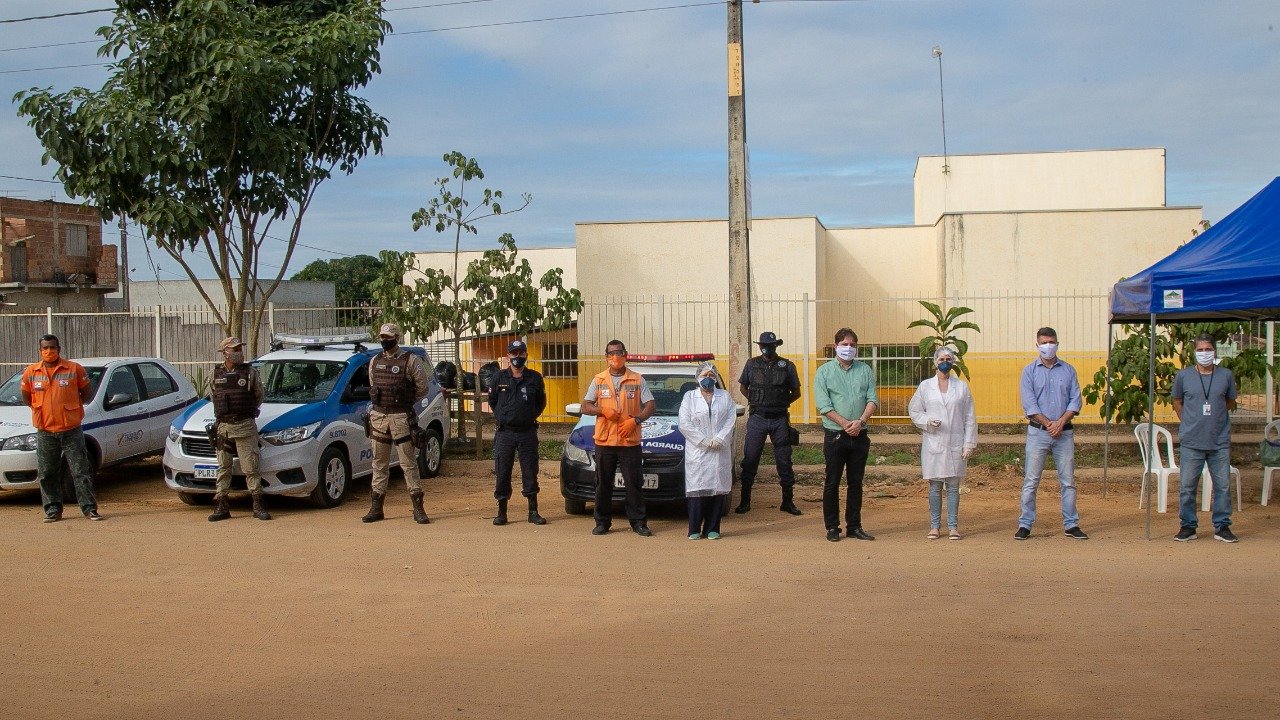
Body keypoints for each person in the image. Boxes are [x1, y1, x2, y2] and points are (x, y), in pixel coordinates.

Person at [20, 333, 102, 522]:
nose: (49, 351)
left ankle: (89, 509)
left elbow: (86, 393)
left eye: (53, 348)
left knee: (80, 471)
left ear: (59, 349)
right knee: (47, 473)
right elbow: (27, 398)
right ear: (40, 351)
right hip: (45, 431)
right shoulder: (31, 372)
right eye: (45, 348)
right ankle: (53, 510)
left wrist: (68, 409)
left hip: (71, 430)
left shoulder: (74, 369)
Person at [1016, 327, 1087, 540]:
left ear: (1057, 343)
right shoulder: (1029, 372)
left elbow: (1076, 400)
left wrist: (1060, 422)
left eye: (1052, 342)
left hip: (1064, 433)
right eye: (1044, 342)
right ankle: (1025, 524)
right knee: (1031, 480)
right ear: (1037, 345)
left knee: (1067, 481)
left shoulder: (1068, 370)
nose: (1048, 346)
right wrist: (1049, 424)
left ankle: (1071, 524)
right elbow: (1029, 404)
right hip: (1038, 433)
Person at [581, 339, 656, 536]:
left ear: (625, 355)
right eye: (611, 353)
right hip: (605, 441)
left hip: (628, 440)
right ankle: (602, 522)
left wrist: (636, 420)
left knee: (634, 484)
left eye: (619, 352)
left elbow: (650, 405)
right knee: (602, 484)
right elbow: (585, 406)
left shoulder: (637, 379)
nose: (615, 356)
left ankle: (638, 522)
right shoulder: (598, 380)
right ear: (606, 357)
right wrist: (602, 410)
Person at [1171, 334, 1239, 543]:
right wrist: (1187, 420)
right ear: (1194, 353)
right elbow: (1177, 400)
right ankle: (1188, 526)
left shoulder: (1226, 375)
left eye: (1208, 349)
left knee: (1223, 486)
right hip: (1192, 441)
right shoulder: (1184, 376)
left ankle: (1222, 526)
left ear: (1215, 351)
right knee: (1187, 486)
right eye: (1200, 350)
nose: (1204, 354)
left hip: (1219, 441)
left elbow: (1228, 401)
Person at [362, 323, 432, 524]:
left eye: (389, 337)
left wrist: (405, 401)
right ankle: (376, 508)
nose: (385, 340)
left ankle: (418, 508)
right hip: (378, 417)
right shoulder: (375, 361)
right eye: (382, 336)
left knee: (408, 464)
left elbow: (422, 388)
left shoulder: (411, 360)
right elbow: (374, 385)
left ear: (397, 338)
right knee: (379, 464)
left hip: (401, 417)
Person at [813, 328, 878, 542]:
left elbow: (872, 399)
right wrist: (845, 423)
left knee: (855, 483)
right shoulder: (824, 372)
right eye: (844, 344)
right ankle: (832, 527)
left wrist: (860, 422)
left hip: (860, 434)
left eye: (852, 345)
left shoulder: (865, 370)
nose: (848, 348)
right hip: (835, 435)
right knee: (832, 482)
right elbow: (823, 405)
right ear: (835, 346)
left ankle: (854, 526)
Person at [908, 346, 978, 540]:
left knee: (954, 486)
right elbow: (914, 411)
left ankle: (953, 526)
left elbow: (970, 417)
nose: (945, 362)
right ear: (935, 362)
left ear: (953, 361)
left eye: (948, 358)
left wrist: (969, 443)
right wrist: (927, 421)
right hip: (934, 442)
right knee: (935, 486)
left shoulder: (962, 387)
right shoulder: (925, 386)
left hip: (955, 441)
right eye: (941, 359)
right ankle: (934, 526)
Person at [735, 331, 803, 515]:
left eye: (771, 345)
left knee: (784, 461)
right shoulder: (752, 364)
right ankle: (744, 502)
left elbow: (796, 392)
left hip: (779, 418)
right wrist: (755, 400)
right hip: (758, 418)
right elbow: (743, 387)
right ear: (760, 346)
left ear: (776, 346)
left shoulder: (787, 366)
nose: (768, 348)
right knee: (750, 460)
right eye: (765, 345)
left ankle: (787, 502)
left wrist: (782, 402)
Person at [207, 337, 269, 522]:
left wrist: (245, 410)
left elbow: (259, 395)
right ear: (225, 353)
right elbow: (213, 396)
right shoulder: (215, 374)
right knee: (223, 468)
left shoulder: (250, 373)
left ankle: (257, 505)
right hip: (224, 427)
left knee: (251, 467)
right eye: (235, 349)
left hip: (244, 426)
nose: (239, 352)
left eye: (240, 349)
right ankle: (222, 505)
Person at [487, 339, 548, 526]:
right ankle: (502, 512)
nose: (517, 357)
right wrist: (504, 416)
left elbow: (541, 403)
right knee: (502, 471)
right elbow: (492, 401)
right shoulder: (499, 377)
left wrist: (527, 416)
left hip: (527, 432)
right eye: (514, 354)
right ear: (508, 356)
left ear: (526, 355)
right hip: (505, 433)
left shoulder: (535, 378)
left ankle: (533, 511)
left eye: (521, 353)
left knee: (530, 471)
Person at [679, 362, 735, 539]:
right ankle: (694, 529)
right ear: (697, 378)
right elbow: (684, 423)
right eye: (704, 376)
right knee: (697, 489)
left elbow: (730, 420)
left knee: (717, 490)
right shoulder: (689, 397)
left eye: (711, 375)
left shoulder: (725, 397)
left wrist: (720, 438)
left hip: (719, 449)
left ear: (716, 378)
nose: (708, 379)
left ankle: (713, 528)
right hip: (697, 451)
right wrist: (702, 441)